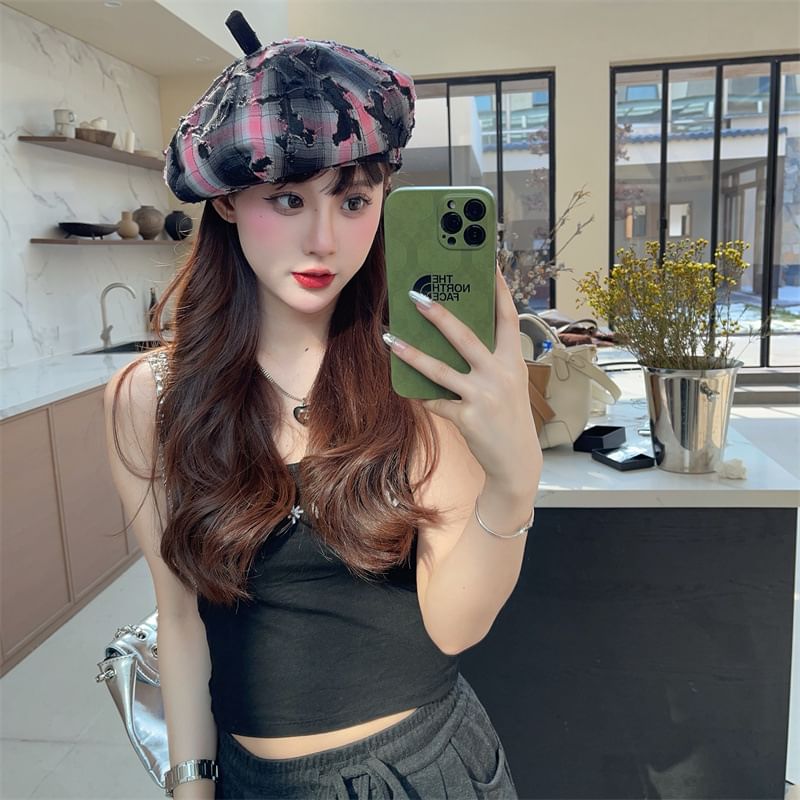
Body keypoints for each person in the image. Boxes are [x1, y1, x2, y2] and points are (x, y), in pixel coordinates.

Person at [105, 10, 542, 799]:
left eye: (352, 200)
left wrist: (514, 481)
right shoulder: (152, 397)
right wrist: (190, 786)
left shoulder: (412, 371)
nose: (323, 241)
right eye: (286, 199)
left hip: (427, 771)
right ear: (227, 201)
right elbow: (179, 618)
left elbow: (455, 627)